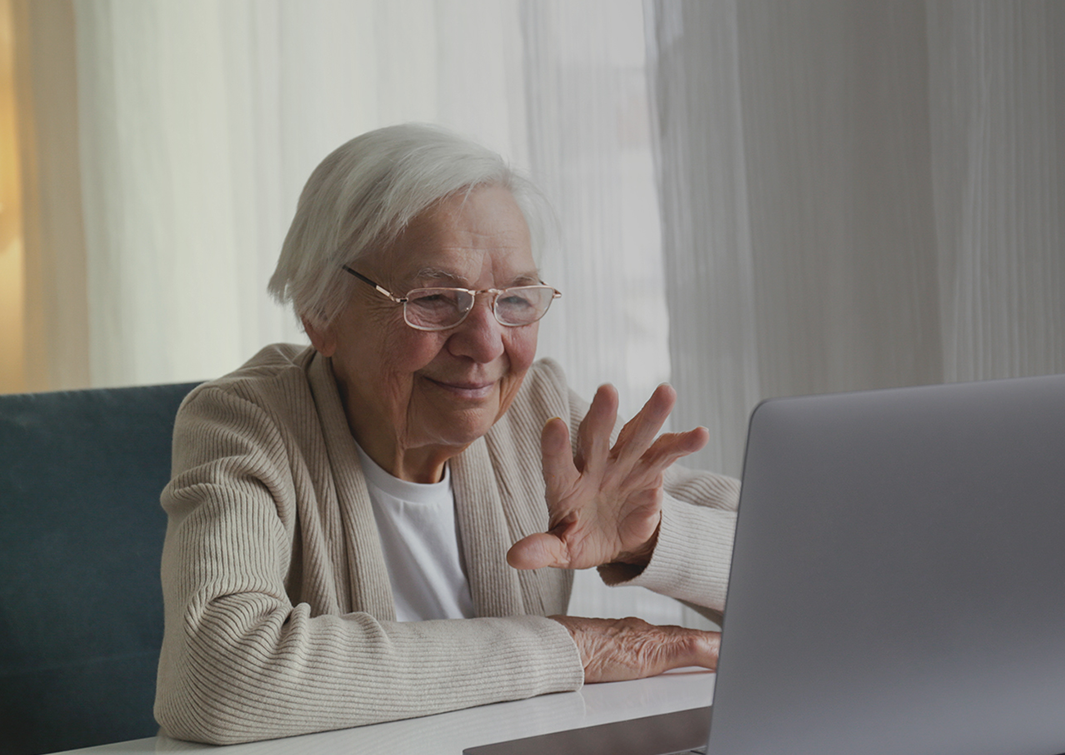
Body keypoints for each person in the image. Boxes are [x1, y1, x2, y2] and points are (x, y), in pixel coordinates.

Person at [154, 124, 739, 745]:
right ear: (320, 313)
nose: (486, 344)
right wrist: (573, 648)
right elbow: (218, 678)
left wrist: (645, 542)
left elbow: (810, 578)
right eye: (434, 299)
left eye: (514, 299)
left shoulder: (538, 412)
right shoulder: (245, 422)